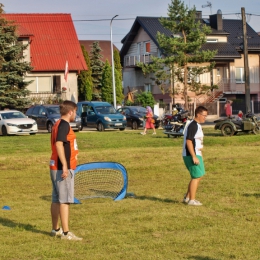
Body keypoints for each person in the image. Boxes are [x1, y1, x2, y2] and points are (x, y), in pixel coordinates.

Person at [50, 100, 82, 241]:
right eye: (75, 111)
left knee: (56, 199)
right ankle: (65, 233)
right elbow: (59, 144)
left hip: (54, 165)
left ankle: (55, 229)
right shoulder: (64, 125)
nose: (76, 114)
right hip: (62, 167)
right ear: (70, 112)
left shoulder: (57, 124)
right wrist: (65, 165)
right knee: (65, 200)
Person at [182, 106, 208, 206]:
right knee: (196, 176)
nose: (205, 118)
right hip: (191, 154)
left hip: (197, 153)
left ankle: (187, 197)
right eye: (204, 115)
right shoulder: (193, 125)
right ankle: (192, 200)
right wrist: (193, 156)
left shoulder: (197, 125)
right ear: (198, 114)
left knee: (199, 176)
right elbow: (189, 141)